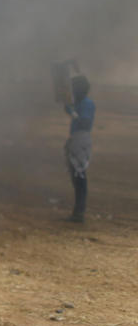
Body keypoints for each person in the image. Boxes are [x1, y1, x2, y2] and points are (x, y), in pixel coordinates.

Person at [63, 75, 95, 223]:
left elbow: (85, 123)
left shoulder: (87, 104)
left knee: (79, 175)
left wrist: (73, 113)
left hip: (81, 139)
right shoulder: (81, 103)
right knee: (76, 175)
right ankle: (78, 211)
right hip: (77, 138)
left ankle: (79, 212)